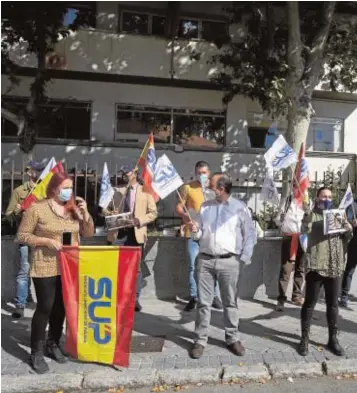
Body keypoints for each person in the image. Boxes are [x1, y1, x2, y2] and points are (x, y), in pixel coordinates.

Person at [16, 171, 95, 374]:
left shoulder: (72, 209)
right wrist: (46, 241)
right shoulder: (37, 209)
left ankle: (53, 343)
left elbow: (88, 233)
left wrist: (85, 213)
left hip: (69, 266)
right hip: (45, 265)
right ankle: (36, 351)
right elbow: (22, 235)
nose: (68, 191)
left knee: (61, 307)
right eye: (65, 188)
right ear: (54, 189)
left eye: (70, 187)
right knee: (46, 306)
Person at [189, 173, 257, 359]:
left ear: (221, 189)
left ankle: (232, 338)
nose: (206, 188)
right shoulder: (204, 207)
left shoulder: (239, 208)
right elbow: (199, 235)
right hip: (205, 260)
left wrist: (243, 258)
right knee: (203, 303)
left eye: (210, 185)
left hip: (230, 261)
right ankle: (200, 340)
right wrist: (195, 231)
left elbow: (250, 234)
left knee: (230, 302)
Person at [298, 187, 353, 357]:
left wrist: (349, 229)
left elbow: (347, 238)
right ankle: (304, 339)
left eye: (329, 196)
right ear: (317, 197)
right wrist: (307, 214)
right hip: (316, 266)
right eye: (323, 196)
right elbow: (304, 230)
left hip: (335, 266)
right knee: (309, 304)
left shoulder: (339, 214)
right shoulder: (312, 214)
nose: (327, 199)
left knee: (333, 305)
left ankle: (333, 339)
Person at [103, 163, 157, 312]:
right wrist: (110, 213)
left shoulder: (145, 191)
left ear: (134, 173)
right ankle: (118, 297)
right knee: (116, 266)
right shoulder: (117, 191)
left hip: (136, 234)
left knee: (136, 268)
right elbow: (105, 210)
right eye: (123, 173)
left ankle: (135, 299)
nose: (125, 175)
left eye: (127, 172)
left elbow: (153, 213)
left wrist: (139, 220)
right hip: (119, 233)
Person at [175, 161, 222, 312]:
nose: (201, 175)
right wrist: (185, 216)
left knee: (214, 266)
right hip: (193, 232)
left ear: (209, 173)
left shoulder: (214, 189)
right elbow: (179, 207)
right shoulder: (188, 187)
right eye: (199, 173)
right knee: (193, 266)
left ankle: (214, 296)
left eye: (204, 172)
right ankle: (194, 297)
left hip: (211, 234)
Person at [5, 160, 45, 319]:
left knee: (43, 273)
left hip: (44, 237)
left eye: (42, 169)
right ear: (30, 172)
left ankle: (43, 305)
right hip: (26, 237)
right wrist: (16, 211)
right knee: (24, 272)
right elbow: (8, 215)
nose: (41, 172)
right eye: (38, 170)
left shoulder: (47, 189)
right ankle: (20, 305)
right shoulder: (19, 191)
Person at [274, 196, 305, 311]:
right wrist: (280, 218)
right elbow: (277, 221)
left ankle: (296, 296)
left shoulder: (307, 201)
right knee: (285, 270)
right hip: (289, 239)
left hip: (303, 239)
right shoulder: (287, 202)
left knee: (300, 269)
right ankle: (281, 298)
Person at [340, 199, 357, 308]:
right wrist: (352, 222)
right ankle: (344, 297)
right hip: (355, 243)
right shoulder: (352, 204)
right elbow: (346, 219)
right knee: (350, 270)